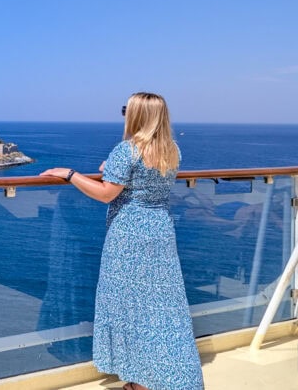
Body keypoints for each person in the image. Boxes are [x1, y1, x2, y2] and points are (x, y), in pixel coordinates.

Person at [41, 92, 204, 390]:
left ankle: (140, 381)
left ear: (137, 115)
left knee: (128, 307)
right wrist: (110, 169)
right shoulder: (172, 150)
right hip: (160, 231)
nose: (123, 113)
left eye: (125, 109)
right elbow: (141, 178)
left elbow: (106, 194)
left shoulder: (126, 150)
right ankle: (165, 378)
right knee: (162, 308)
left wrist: (70, 174)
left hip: (129, 236)